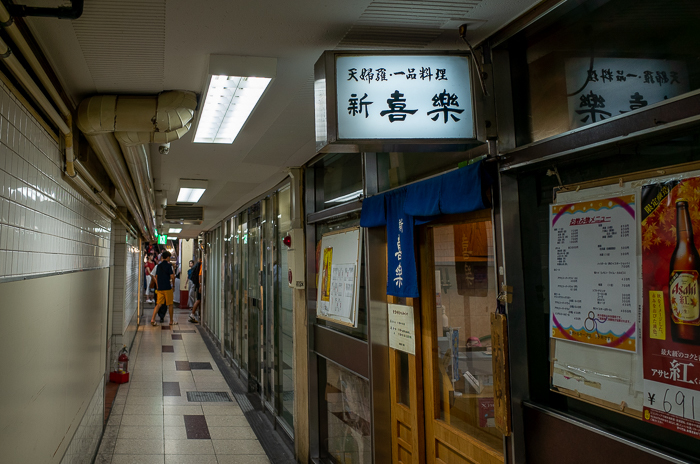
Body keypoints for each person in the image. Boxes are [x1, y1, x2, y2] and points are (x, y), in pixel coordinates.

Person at [151, 251, 177, 326]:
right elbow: (172, 277)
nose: (170, 258)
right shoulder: (169, 266)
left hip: (160, 288)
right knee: (170, 304)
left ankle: (153, 319)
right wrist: (173, 285)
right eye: (170, 257)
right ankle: (171, 321)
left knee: (158, 304)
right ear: (168, 257)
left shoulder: (158, 266)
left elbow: (156, 277)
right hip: (167, 288)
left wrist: (157, 285)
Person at [189, 258, 202, 323]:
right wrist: (200, 285)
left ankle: (196, 314)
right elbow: (200, 276)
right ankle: (192, 314)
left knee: (199, 300)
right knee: (198, 300)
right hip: (199, 286)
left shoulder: (198, 265)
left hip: (197, 285)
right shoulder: (201, 265)